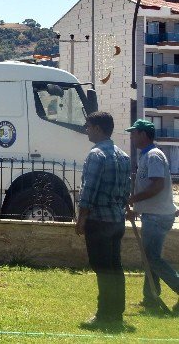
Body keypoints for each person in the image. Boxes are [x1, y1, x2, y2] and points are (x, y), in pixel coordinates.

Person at [75, 111, 131, 331]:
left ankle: (105, 314)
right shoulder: (123, 156)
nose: (86, 130)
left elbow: (89, 189)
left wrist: (81, 219)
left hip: (99, 220)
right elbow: (127, 189)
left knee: (102, 267)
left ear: (98, 128)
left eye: (88, 126)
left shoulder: (96, 155)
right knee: (115, 267)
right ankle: (116, 311)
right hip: (116, 220)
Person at [126, 119, 179, 315]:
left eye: (134, 133)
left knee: (153, 259)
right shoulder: (146, 156)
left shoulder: (154, 156)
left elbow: (157, 186)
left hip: (158, 217)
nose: (131, 137)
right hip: (153, 214)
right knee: (149, 259)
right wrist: (137, 208)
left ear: (143, 134)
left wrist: (133, 199)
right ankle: (150, 299)